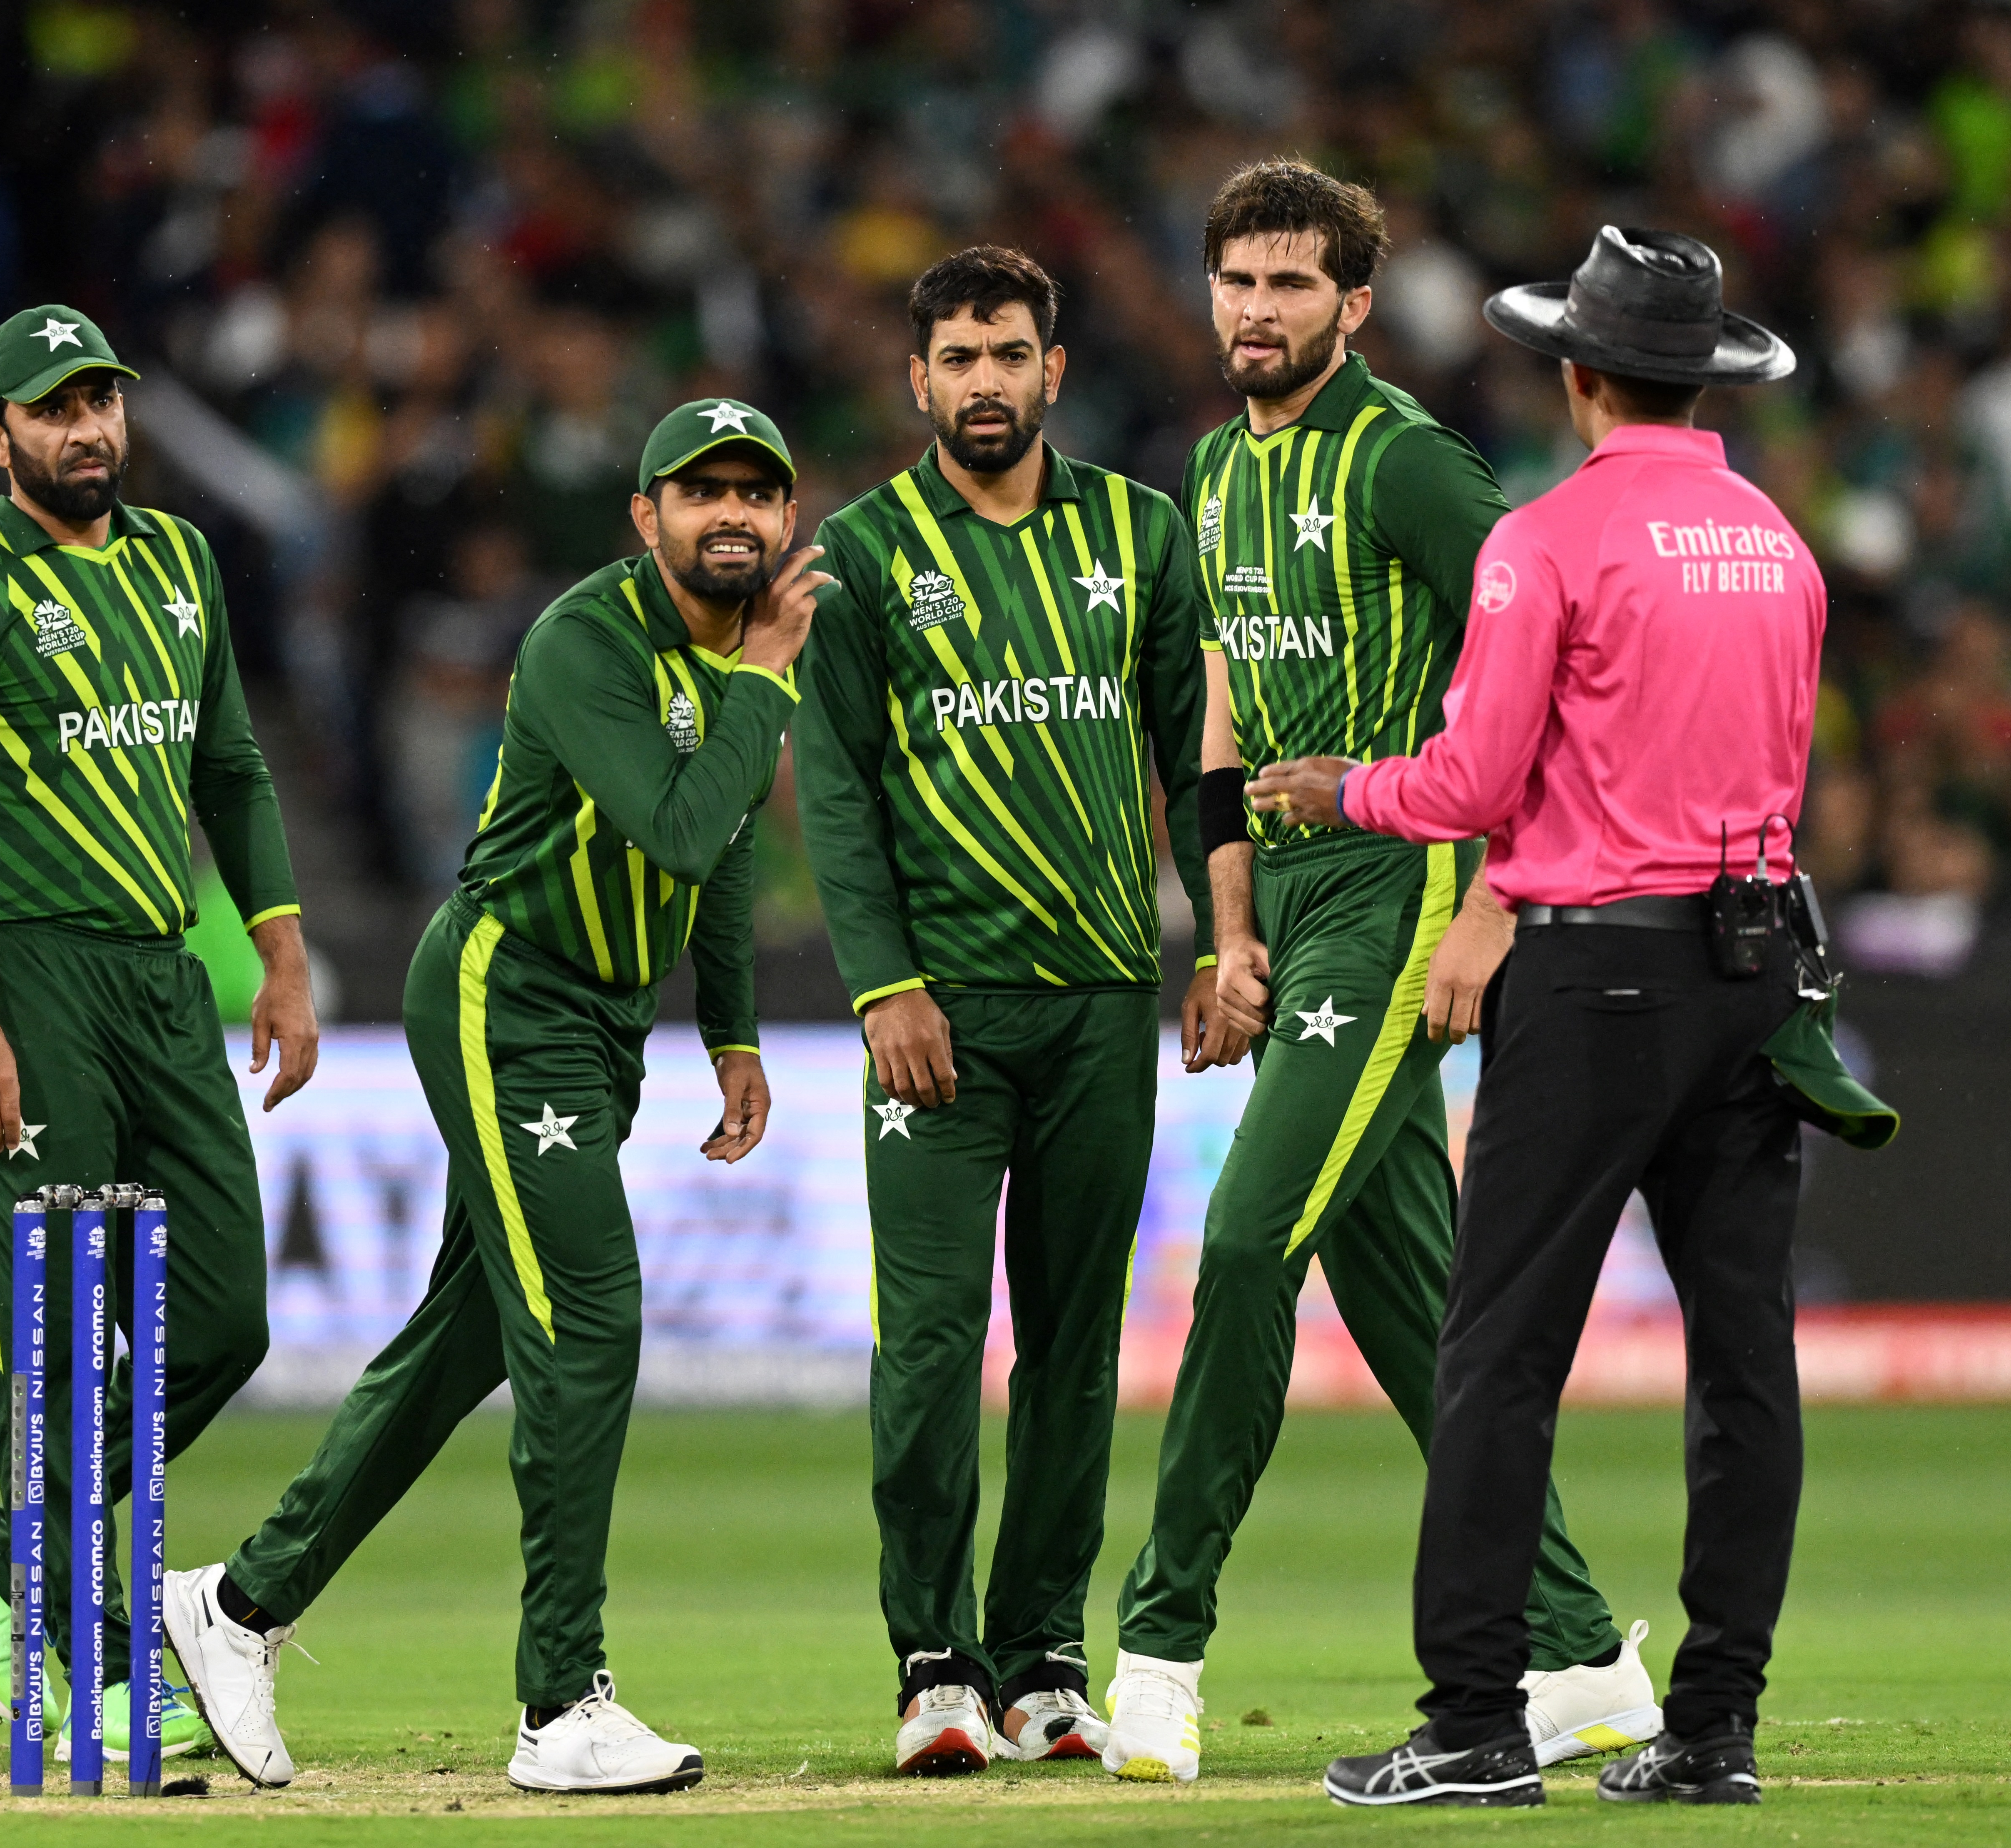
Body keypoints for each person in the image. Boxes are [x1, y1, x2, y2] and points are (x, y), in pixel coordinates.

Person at [1257, 229, 1873, 1809]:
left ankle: (1470, 1721)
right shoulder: (1780, 546)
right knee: (1745, 1365)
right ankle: (1713, 1728)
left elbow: (1467, 787)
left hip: (1597, 976)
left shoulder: (1545, 540)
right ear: (1704, 377)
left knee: (1500, 1350)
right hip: (1757, 974)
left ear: (1581, 374)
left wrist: (1345, 789)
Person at [164, 399, 821, 1796]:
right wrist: (768, 681)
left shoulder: (735, 660)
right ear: (644, 519)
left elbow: (714, 862)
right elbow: (682, 819)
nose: (730, 518)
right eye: (698, 494)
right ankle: (558, 1703)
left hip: (598, 1024)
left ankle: (240, 1604)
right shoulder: (589, 642)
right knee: (588, 1320)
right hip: (501, 996)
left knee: (471, 1336)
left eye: (754, 497)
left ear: (785, 517)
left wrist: (734, 1032)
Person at [1104, 162, 1653, 1783]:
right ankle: (1577, 1656)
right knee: (1408, 1296)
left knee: (1255, 1236)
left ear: (1356, 307)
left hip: (1411, 882)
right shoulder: (1210, 471)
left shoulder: (1408, 468)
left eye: (1293, 284)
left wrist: (1499, 903)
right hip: (1289, 894)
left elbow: (1547, 659)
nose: (1257, 310)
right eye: (1237, 281)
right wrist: (1225, 928)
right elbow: (1218, 715)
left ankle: (1159, 1648)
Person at [790, 245, 1216, 1776]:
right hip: (940, 1015)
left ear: (1054, 368)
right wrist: (885, 983)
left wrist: (1225, 941)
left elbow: (1196, 755)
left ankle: (1040, 1658)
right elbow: (831, 791)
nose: (983, 382)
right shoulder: (857, 552)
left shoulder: (1139, 533)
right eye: (956, 359)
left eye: (1008, 355)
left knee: (1077, 1350)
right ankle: (932, 1661)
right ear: (917, 380)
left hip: (1102, 997)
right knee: (926, 1347)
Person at [0, 302, 321, 1766]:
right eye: (54, 409)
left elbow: (234, 768)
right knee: (62, 1338)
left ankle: (3, 1551)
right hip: (29, 982)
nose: (89, 429)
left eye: (103, 402)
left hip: (159, 982)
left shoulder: (183, 563)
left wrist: (279, 952)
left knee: (225, 1321)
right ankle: (96, 1652)